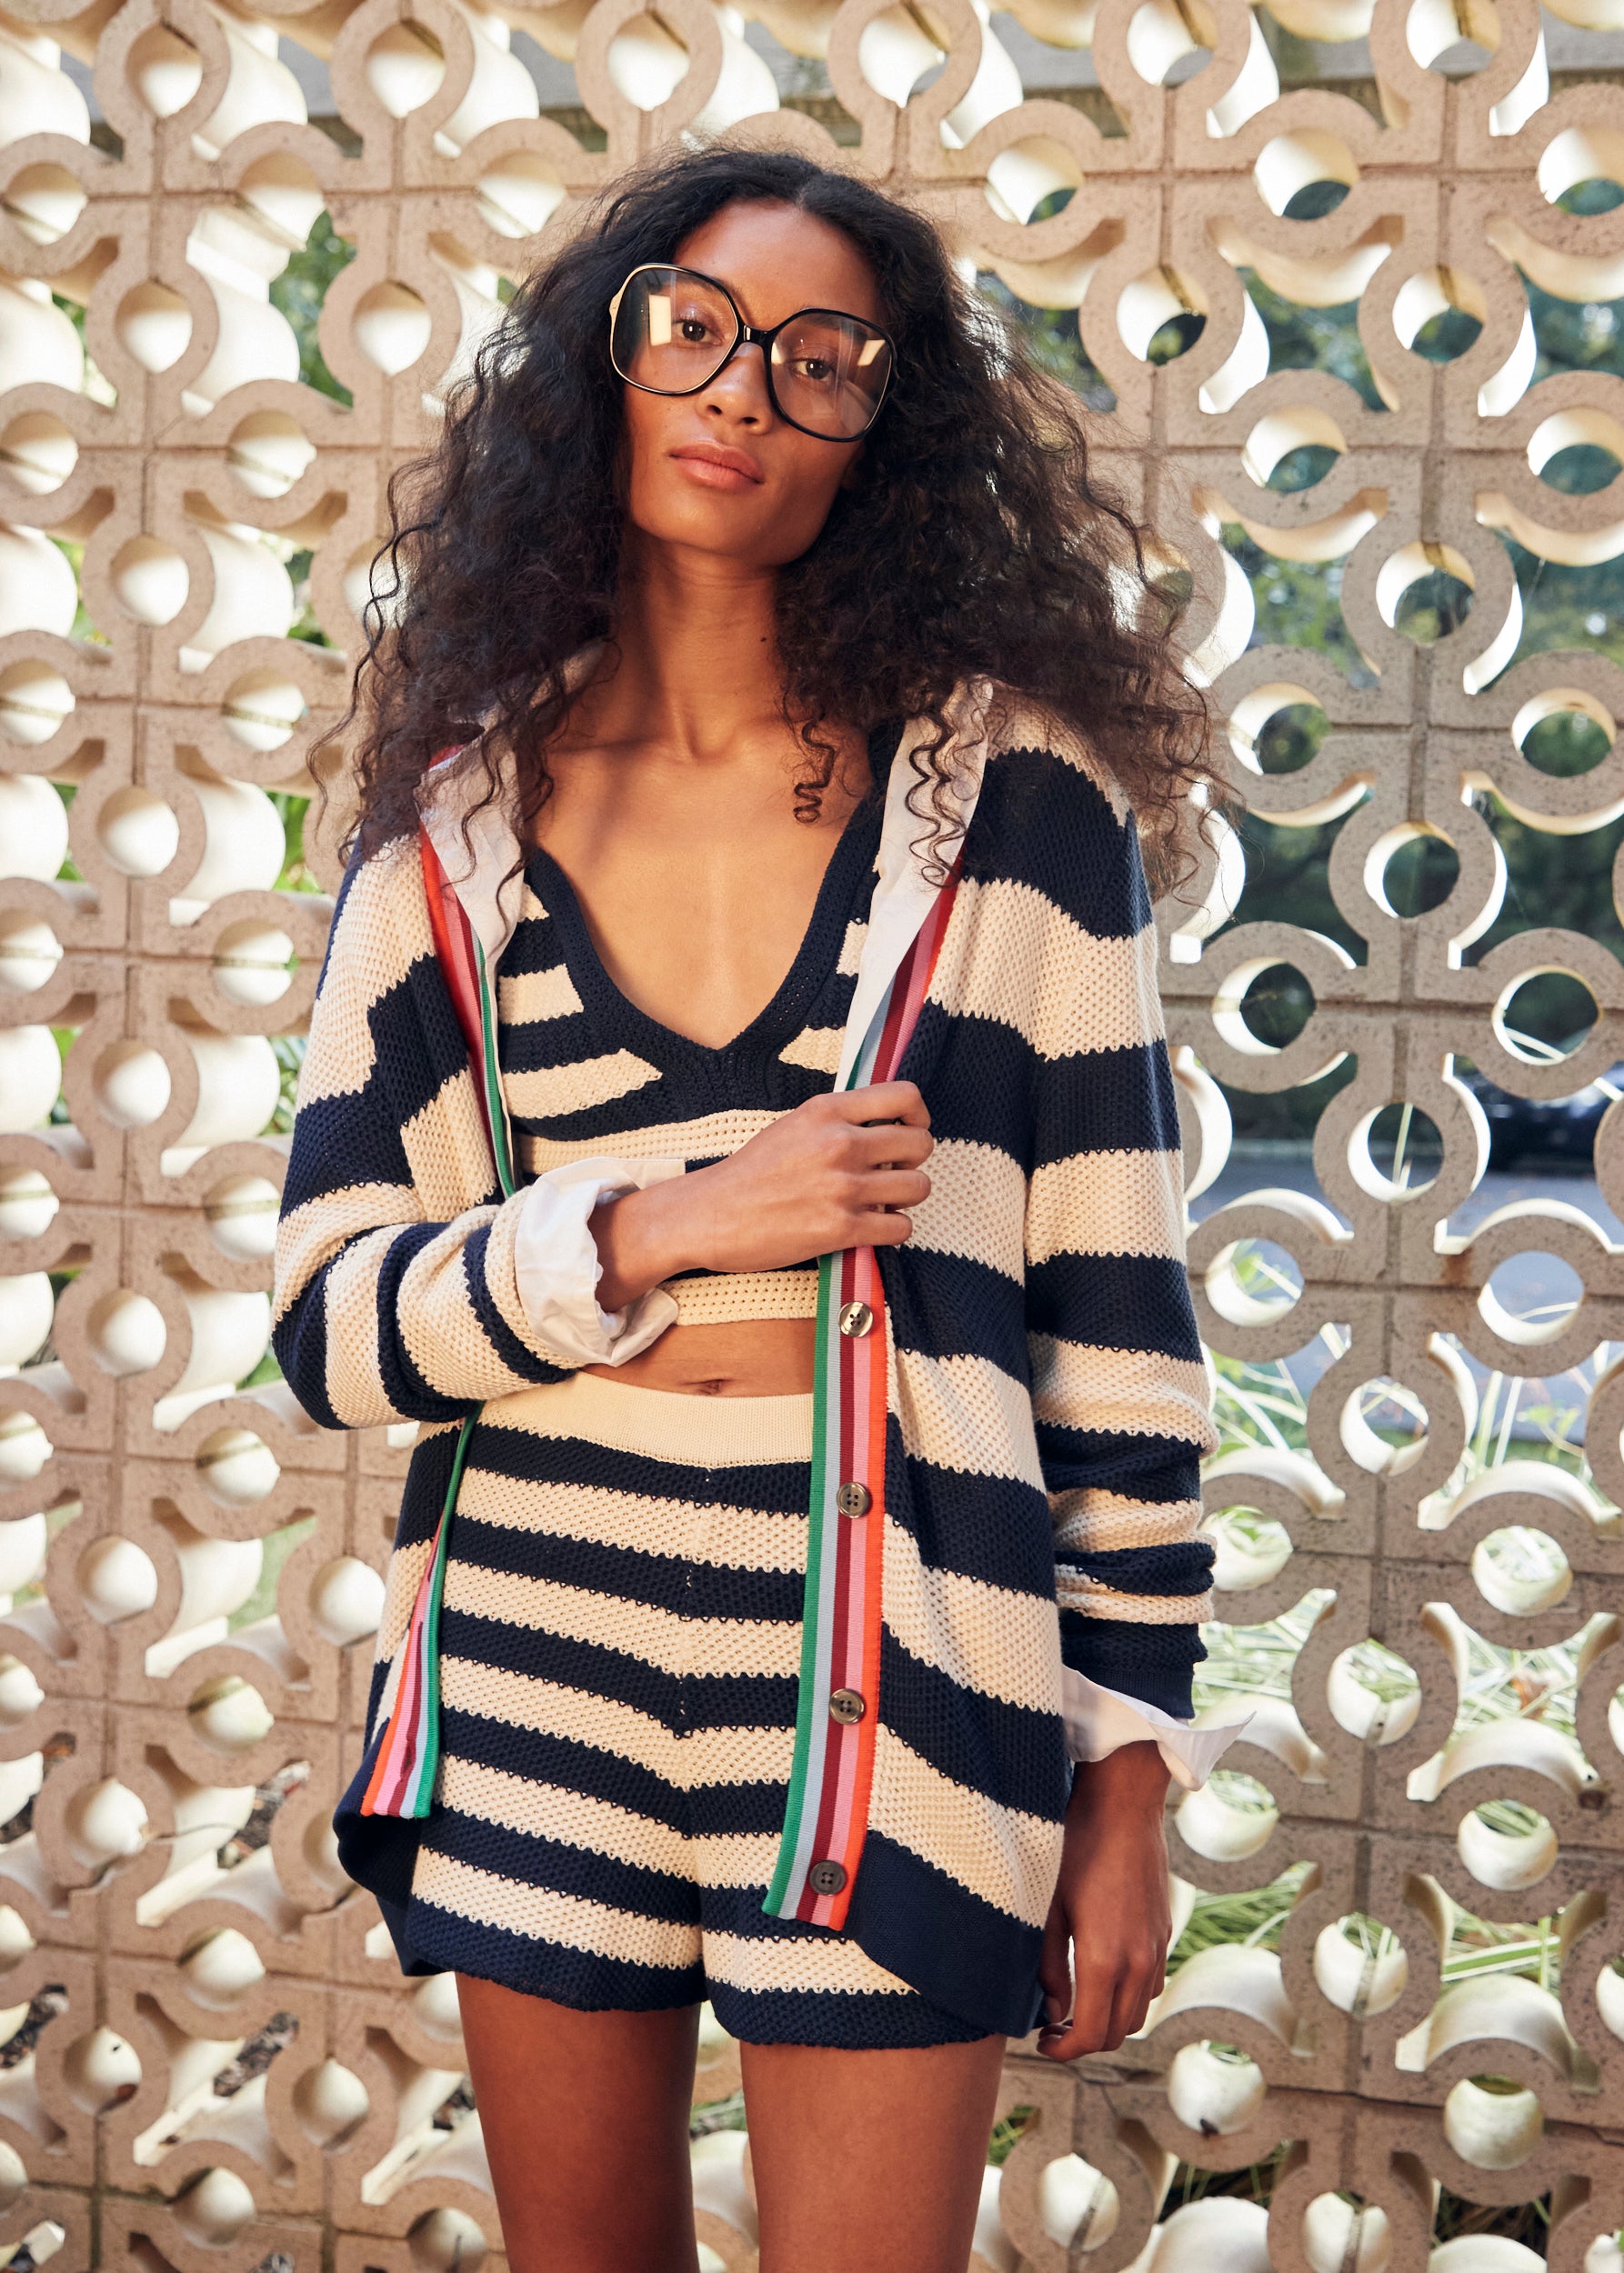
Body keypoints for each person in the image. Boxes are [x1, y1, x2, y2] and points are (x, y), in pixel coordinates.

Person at [274, 143, 1239, 2273]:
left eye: (822, 359)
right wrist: (663, 1222)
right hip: (535, 1662)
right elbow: (330, 1324)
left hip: (897, 1694)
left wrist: (1124, 1788)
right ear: (603, 364)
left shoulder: (1014, 814)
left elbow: (1113, 1336)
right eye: (692, 328)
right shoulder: (450, 840)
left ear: (880, 429)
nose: (742, 389)